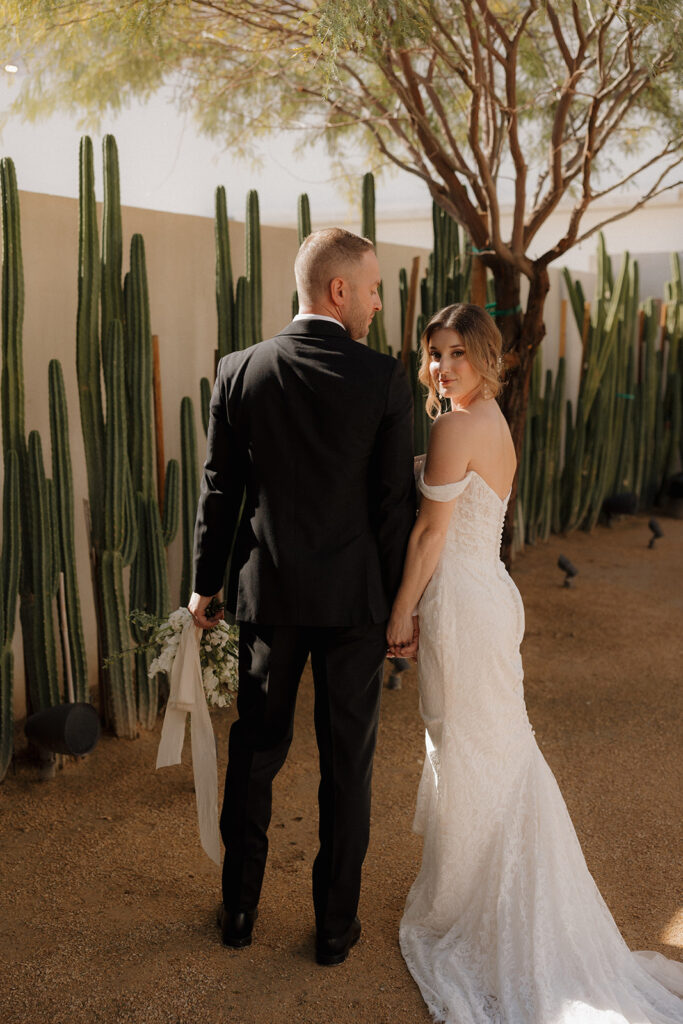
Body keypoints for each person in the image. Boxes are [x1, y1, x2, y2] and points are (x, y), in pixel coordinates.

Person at [387, 304, 683, 1023]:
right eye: (432, 354)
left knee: (472, 746)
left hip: (459, 602)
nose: (441, 366)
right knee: (491, 745)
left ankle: (478, 902)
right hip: (485, 594)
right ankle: (487, 885)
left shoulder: (454, 424)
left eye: (456, 353)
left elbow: (430, 535)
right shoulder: (489, 422)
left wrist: (400, 615)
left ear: (487, 358)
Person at [189, 228, 416, 966]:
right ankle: (332, 930)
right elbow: (392, 508)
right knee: (347, 765)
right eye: (374, 287)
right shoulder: (383, 379)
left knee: (255, 753)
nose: (379, 302)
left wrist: (204, 585)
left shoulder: (238, 370)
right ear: (337, 289)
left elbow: (219, 490)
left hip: (269, 599)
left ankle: (239, 912)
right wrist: (399, 605)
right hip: (354, 605)